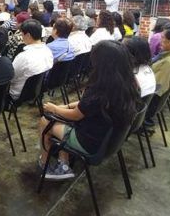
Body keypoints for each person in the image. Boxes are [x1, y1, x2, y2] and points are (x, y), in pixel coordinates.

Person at [38, 40, 141, 179]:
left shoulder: (100, 87)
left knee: (45, 121)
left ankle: (45, 164)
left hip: (90, 142)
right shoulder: (129, 83)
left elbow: (75, 115)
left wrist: (55, 108)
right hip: (109, 139)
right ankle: (63, 162)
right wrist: (66, 107)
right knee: (61, 116)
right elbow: (88, 104)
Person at [9, 19, 54, 100]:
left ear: (28, 35)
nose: (21, 37)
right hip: (38, 90)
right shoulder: (48, 51)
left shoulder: (23, 57)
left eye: (22, 34)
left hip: (18, 93)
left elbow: (11, 77)